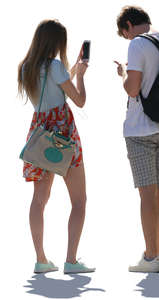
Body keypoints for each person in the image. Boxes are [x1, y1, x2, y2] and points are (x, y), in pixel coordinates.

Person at [18, 19, 95, 274]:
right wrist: (81, 76)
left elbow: (51, 88)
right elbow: (79, 100)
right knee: (79, 201)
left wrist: (71, 71)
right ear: (57, 42)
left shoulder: (26, 67)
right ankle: (71, 261)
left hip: (40, 136)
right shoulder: (55, 65)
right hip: (63, 135)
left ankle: (41, 259)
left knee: (39, 200)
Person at [115, 6, 159, 272]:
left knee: (146, 193)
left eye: (125, 34)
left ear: (128, 26)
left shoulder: (137, 45)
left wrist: (122, 74)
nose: (127, 40)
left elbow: (133, 89)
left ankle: (150, 257)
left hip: (141, 129)